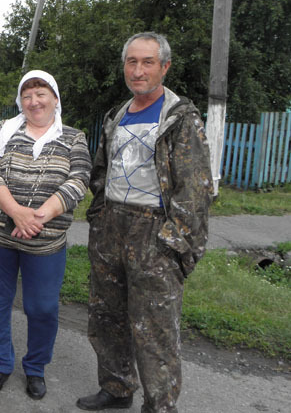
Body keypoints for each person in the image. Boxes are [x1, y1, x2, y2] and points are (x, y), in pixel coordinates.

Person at [77, 32, 213, 412]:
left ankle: (160, 405)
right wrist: (99, 216)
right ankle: (117, 388)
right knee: (106, 316)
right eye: (131, 62)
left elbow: (196, 189)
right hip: (111, 227)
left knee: (154, 329)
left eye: (147, 62)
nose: (138, 70)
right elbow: (103, 172)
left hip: (154, 229)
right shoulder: (117, 116)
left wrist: (173, 242)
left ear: (164, 67)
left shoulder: (180, 118)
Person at [0, 70, 92, 400]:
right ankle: (1, 364)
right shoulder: (4, 130)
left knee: (42, 308)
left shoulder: (74, 138)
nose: (33, 101)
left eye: (41, 93)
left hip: (45, 241)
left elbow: (79, 180)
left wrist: (37, 217)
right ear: (19, 101)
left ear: (55, 99)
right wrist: (16, 212)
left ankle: (36, 368)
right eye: (26, 95)